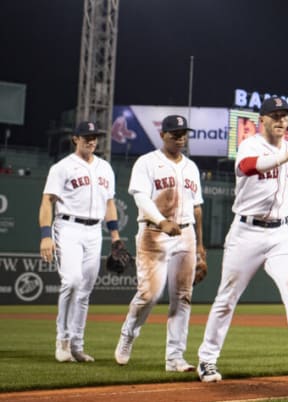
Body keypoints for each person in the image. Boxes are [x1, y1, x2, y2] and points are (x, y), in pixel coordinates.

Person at [197, 97, 288, 385]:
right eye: (274, 116)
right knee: (227, 298)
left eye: (284, 116)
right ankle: (206, 360)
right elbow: (251, 167)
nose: (281, 121)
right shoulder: (251, 145)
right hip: (246, 232)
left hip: (279, 235)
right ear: (262, 119)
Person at [114, 114, 205, 372]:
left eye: (183, 133)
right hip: (153, 232)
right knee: (150, 294)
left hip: (186, 233)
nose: (180, 137)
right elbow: (141, 198)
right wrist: (161, 220)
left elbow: (197, 208)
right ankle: (128, 334)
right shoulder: (147, 162)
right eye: (175, 133)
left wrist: (200, 246)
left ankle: (175, 357)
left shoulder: (191, 167)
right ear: (163, 135)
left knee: (183, 297)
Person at [39, 121, 123, 363]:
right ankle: (62, 340)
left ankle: (77, 345)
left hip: (95, 230)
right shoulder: (62, 167)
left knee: (85, 290)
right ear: (75, 139)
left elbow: (109, 203)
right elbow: (47, 201)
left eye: (95, 136)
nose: (92, 140)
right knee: (72, 281)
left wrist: (115, 236)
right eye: (86, 136)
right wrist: (46, 235)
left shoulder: (105, 168)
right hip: (68, 227)